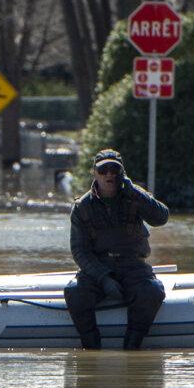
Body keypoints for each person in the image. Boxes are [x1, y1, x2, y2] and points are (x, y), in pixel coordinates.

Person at [64, 149, 169, 350]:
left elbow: (161, 218)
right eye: (103, 170)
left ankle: (132, 348)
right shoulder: (82, 207)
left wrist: (135, 191)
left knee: (152, 291)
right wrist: (103, 277)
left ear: (122, 173)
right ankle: (91, 348)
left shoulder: (136, 196)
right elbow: (79, 251)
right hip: (98, 269)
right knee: (74, 292)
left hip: (133, 267)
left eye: (115, 169)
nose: (109, 175)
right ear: (94, 173)